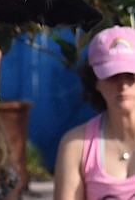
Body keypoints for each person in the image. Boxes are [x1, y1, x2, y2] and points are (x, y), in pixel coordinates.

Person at [53, 25, 135, 199]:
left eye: (131, 75)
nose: (123, 85)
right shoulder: (75, 145)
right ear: (95, 81)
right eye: (112, 75)